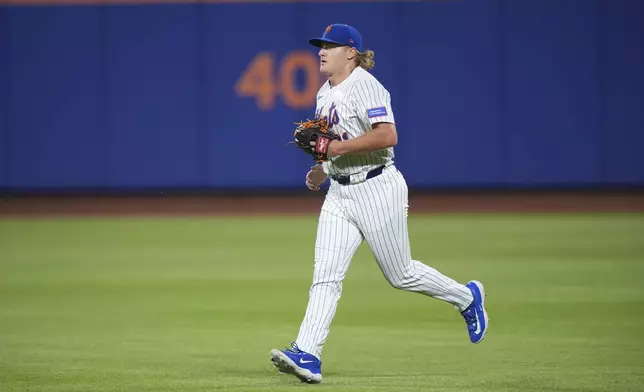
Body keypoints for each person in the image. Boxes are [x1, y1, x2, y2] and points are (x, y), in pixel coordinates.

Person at [270, 23, 489, 384]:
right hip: (339, 194)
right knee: (325, 276)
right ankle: (308, 354)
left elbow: (388, 135)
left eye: (329, 46)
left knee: (400, 274)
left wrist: (334, 150)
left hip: (377, 188)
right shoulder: (324, 93)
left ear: (350, 52)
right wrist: (321, 170)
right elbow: (332, 143)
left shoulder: (366, 86)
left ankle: (466, 297)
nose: (321, 51)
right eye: (320, 46)